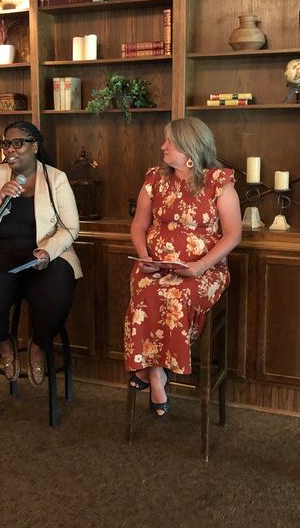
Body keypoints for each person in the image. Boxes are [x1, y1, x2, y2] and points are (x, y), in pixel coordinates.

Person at [124, 117, 242, 416]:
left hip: (204, 270)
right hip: (155, 267)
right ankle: (157, 373)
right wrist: (145, 257)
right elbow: (139, 225)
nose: (163, 146)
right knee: (145, 289)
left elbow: (233, 234)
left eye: (170, 142)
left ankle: (153, 370)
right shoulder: (154, 178)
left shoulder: (218, 182)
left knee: (177, 295)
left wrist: (200, 266)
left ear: (190, 149)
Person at [0, 121, 82, 386]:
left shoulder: (56, 178)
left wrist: (47, 252)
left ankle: (38, 345)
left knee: (57, 294)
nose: (10, 149)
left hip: (44, 253)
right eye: (6, 143)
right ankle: (4, 344)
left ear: (35, 147)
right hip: (1, 253)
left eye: (18, 143)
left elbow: (70, 227)